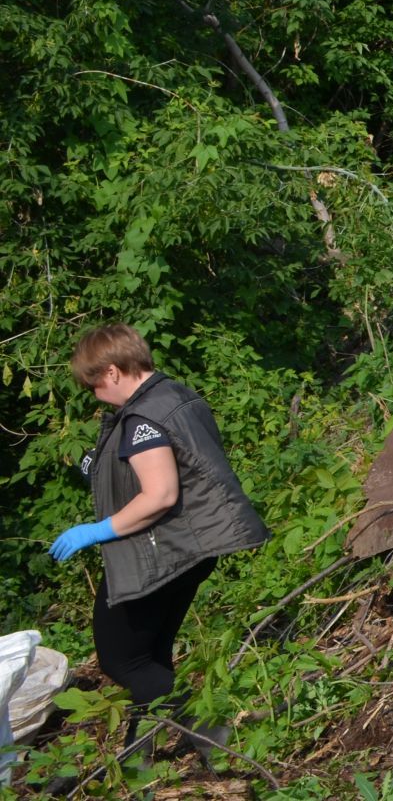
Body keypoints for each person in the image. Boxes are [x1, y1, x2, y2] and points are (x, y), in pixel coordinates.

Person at [47, 324, 268, 765]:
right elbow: (178, 463)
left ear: (111, 372)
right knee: (151, 655)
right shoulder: (175, 396)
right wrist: (99, 466)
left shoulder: (142, 417)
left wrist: (95, 530)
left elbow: (161, 493)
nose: (94, 395)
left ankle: (214, 730)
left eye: (93, 385)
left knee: (120, 661)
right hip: (195, 548)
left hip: (165, 550)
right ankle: (137, 755)